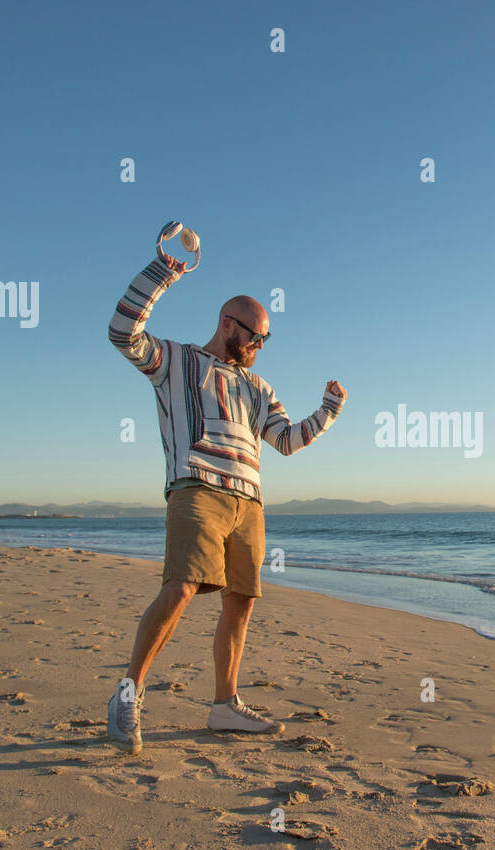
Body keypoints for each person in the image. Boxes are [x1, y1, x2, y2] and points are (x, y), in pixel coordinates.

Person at [104, 248, 346, 753]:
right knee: (181, 587)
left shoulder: (259, 387)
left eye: (265, 337)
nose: (260, 344)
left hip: (248, 501)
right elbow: (122, 333)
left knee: (240, 601)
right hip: (196, 488)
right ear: (227, 324)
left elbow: (286, 440)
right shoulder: (177, 360)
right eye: (254, 335)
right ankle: (128, 695)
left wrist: (327, 413)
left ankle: (224, 706)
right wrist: (164, 271)